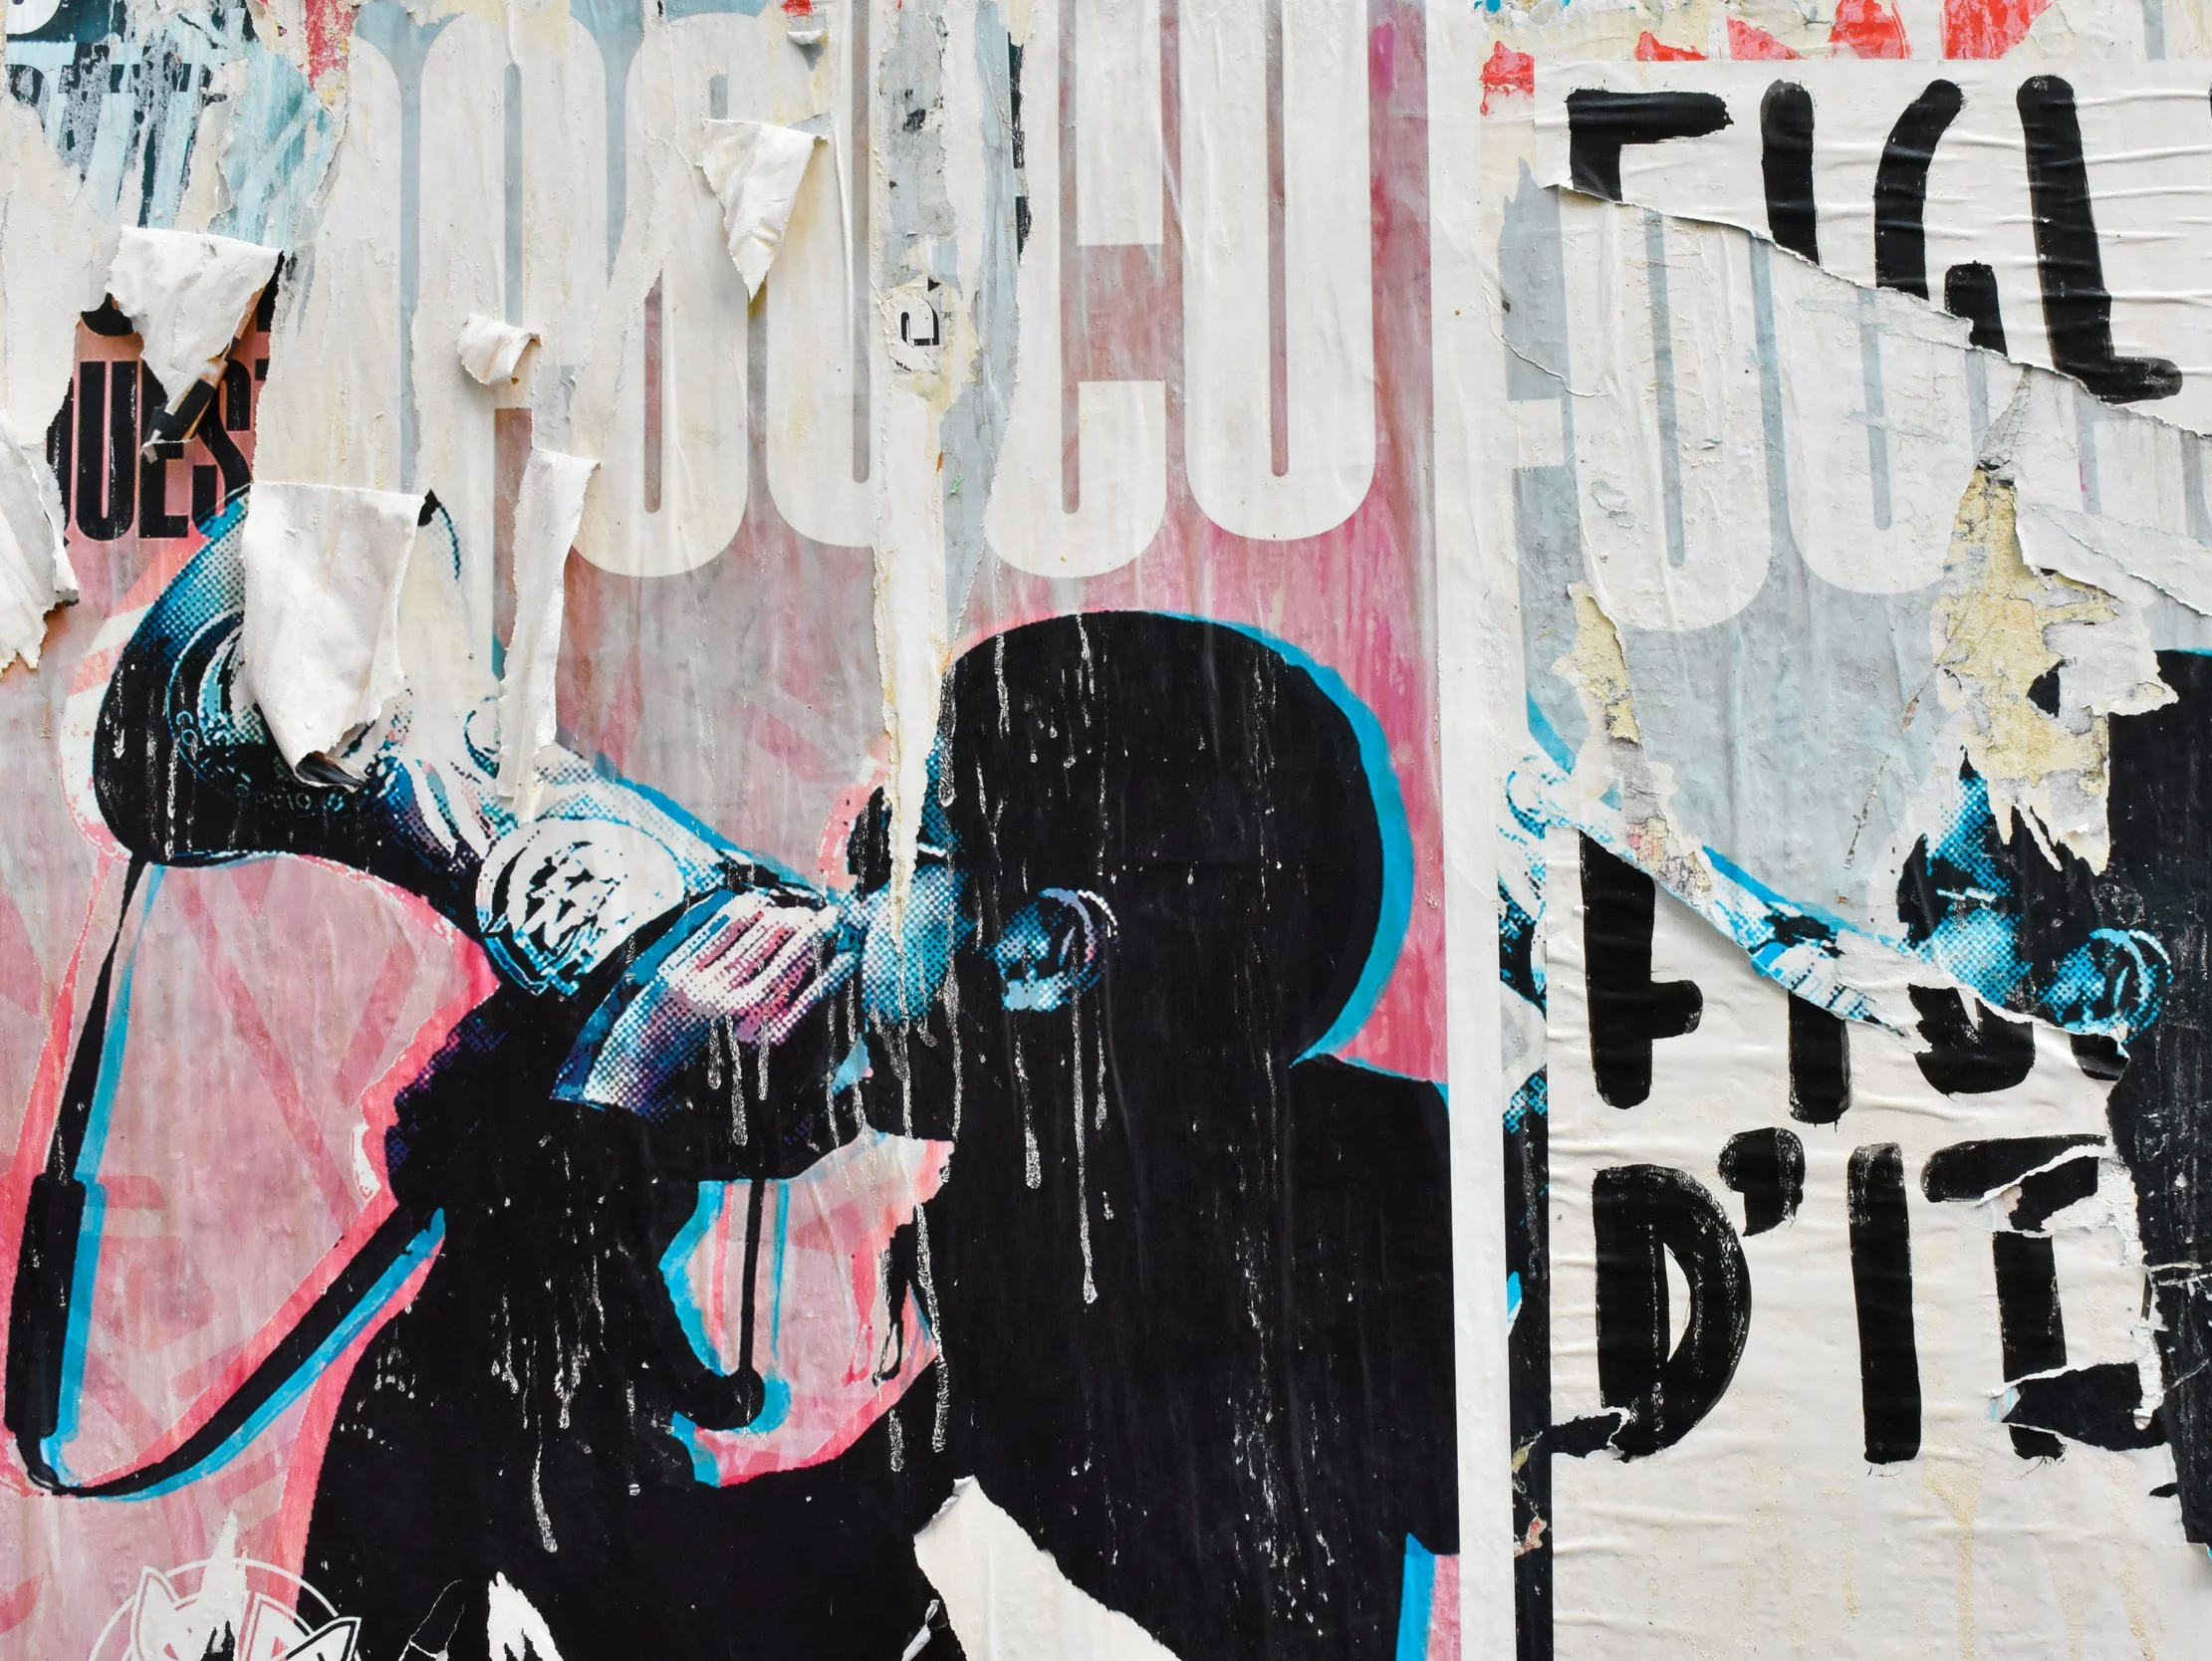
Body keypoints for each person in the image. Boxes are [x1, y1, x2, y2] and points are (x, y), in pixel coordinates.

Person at [18, 505, 1454, 1659]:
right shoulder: (1213, 1269)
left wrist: (601, 1121)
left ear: (1044, 951)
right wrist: (569, 1130)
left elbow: (547, 1586)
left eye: (900, 841)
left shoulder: (1123, 1367)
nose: (840, 888)